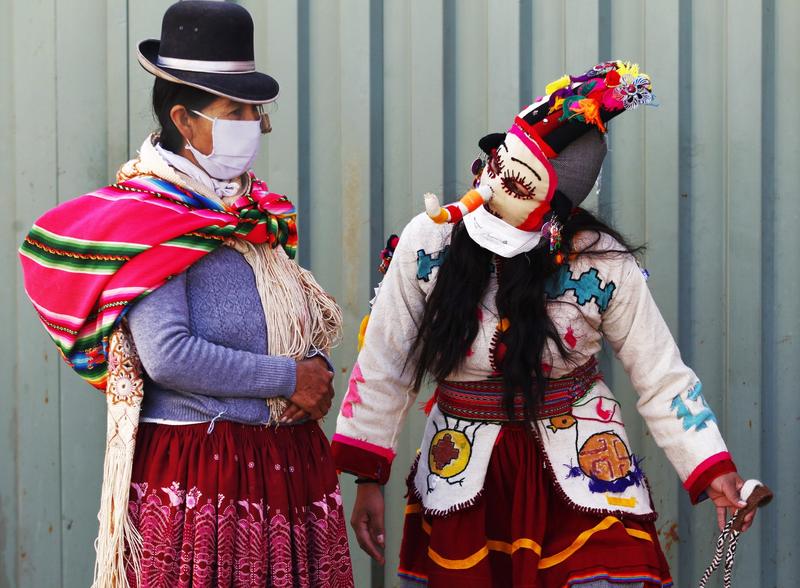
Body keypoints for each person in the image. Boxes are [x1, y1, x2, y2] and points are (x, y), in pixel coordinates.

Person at [332, 61, 755, 587]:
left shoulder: (602, 263)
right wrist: (367, 475)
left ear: (557, 219)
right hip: (464, 475)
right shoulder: (429, 241)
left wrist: (712, 468)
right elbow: (385, 360)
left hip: (585, 468)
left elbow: (660, 374)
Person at [19, 2, 353, 586]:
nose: (251, 122)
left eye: (255, 110)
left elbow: (284, 322)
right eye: (235, 110)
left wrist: (312, 370)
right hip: (208, 474)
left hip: (283, 461)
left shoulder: (249, 213)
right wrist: (288, 379)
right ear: (186, 118)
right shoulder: (152, 222)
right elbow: (168, 354)